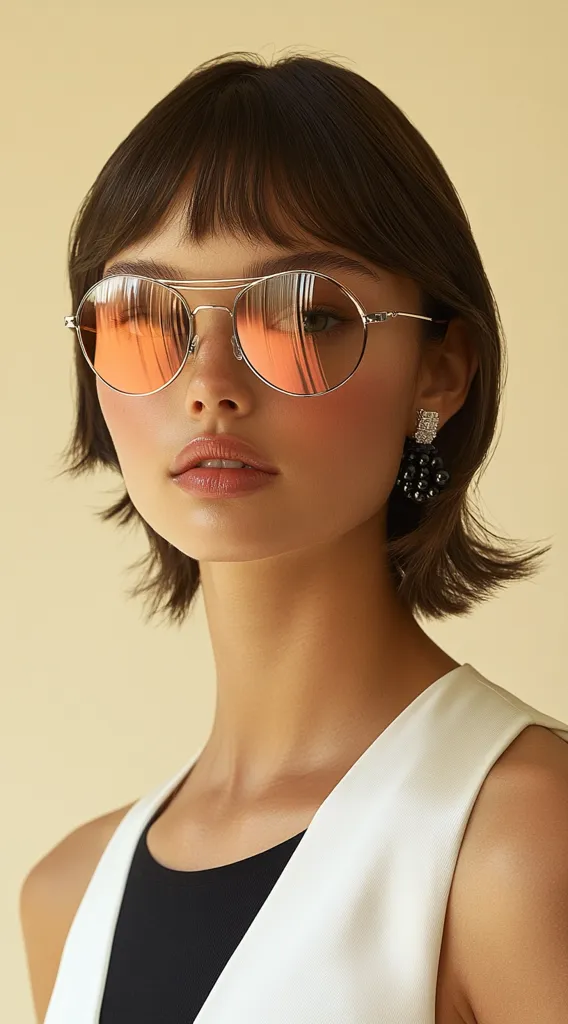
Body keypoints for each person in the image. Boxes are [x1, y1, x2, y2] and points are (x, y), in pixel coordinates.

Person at [20, 51, 568, 1024]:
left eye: (303, 314)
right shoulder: (64, 896)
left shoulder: (523, 836)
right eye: (143, 317)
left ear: (439, 369)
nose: (209, 382)